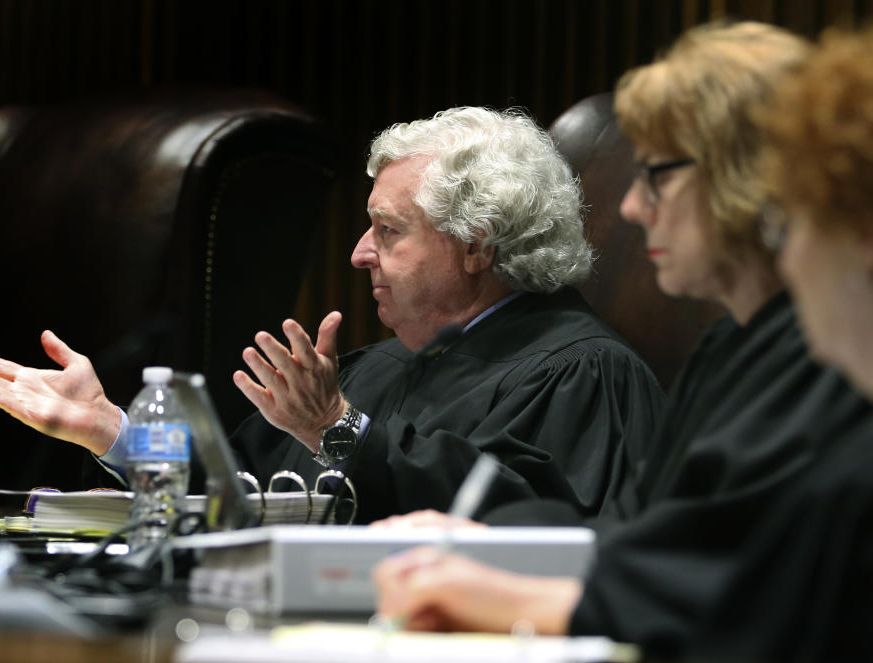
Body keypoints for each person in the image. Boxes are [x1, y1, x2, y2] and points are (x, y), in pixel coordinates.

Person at [373, 22, 873, 662]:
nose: (633, 209)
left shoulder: (818, 361)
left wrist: (529, 601)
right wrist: (481, 538)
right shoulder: (733, 345)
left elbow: (752, 599)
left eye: (654, 177)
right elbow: (637, 533)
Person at [0, 106, 665, 524]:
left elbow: (520, 526)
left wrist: (341, 432)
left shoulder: (581, 374)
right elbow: (235, 492)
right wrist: (113, 430)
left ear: (476, 244)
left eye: (387, 230)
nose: (358, 254)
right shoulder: (380, 368)